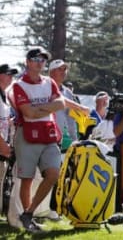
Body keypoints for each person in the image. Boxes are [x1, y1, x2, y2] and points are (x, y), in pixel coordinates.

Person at [7, 47, 75, 232]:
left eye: (43, 60)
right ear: (28, 62)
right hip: (26, 134)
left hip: (49, 133)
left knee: (53, 174)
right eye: (36, 59)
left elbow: (60, 104)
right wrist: (48, 106)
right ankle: (27, 219)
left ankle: (28, 213)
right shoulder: (18, 85)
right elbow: (28, 113)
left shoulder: (50, 82)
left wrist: (39, 109)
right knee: (26, 179)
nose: (40, 62)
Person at [0, 63, 18, 216]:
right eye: (8, 73)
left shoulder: (4, 95)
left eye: (12, 74)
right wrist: (3, 146)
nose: (11, 77)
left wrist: (11, 121)